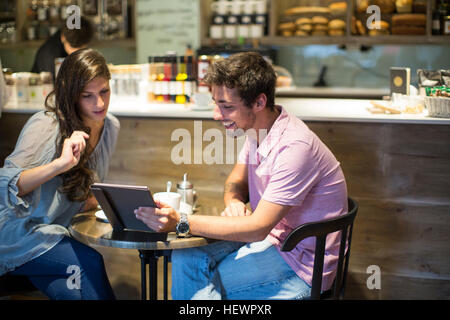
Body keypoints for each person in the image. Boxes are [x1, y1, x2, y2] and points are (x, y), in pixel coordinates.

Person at [134, 52, 348, 299]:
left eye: (226, 106)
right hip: (274, 239)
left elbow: (256, 228)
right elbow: (235, 181)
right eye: (216, 103)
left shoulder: (295, 147)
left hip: (301, 266)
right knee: (187, 256)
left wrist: (181, 222)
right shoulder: (259, 129)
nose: (216, 114)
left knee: (206, 286)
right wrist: (234, 201)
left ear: (259, 102)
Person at [0, 48, 119, 300]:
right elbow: (5, 186)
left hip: (55, 235)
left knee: (77, 292)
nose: (99, 103)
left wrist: (119, 203)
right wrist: (60, 164)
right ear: (71, 95)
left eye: (104, 92)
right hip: (18, 233)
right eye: (87, 96)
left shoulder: (110, 127)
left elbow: (80, 195)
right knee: (90, 264)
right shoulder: (47, 124)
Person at [31, 16, 94, 82]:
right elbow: (58, 89)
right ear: (63, 38)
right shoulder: (50, 55)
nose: (78, 53)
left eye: (82, 48)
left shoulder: (68, 34)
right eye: (73, 48)